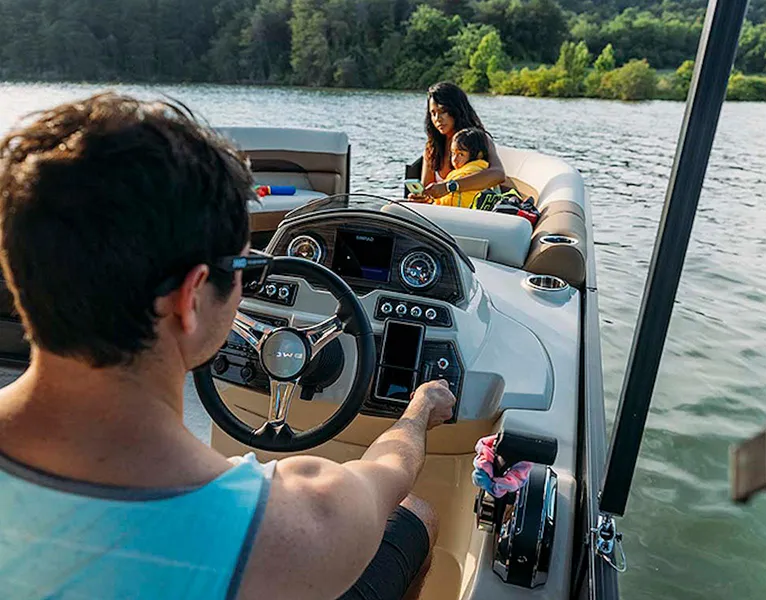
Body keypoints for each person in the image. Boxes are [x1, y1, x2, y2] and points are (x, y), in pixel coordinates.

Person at [0, 93, 456, 600]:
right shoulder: (296, 528)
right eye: (246, 269)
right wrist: (418, 410)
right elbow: (388, 474)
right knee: (415, 515)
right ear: (191, 297)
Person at [411, 81, 506, 203]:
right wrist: (420, 198)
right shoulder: (432, 148)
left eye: (443, 111)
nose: (437, 119)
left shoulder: (479, 139)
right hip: (438, 214)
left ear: (456, 109)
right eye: (433, 113)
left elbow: (498, 174)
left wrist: (449, 187)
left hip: (470, 215)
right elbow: (428, 195)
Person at [430, 127, 490, 208]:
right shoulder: (455, 173)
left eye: (461, 154)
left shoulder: (475, 170)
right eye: (453, 153)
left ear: (479, 155)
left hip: (460, 215)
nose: (454, 159)